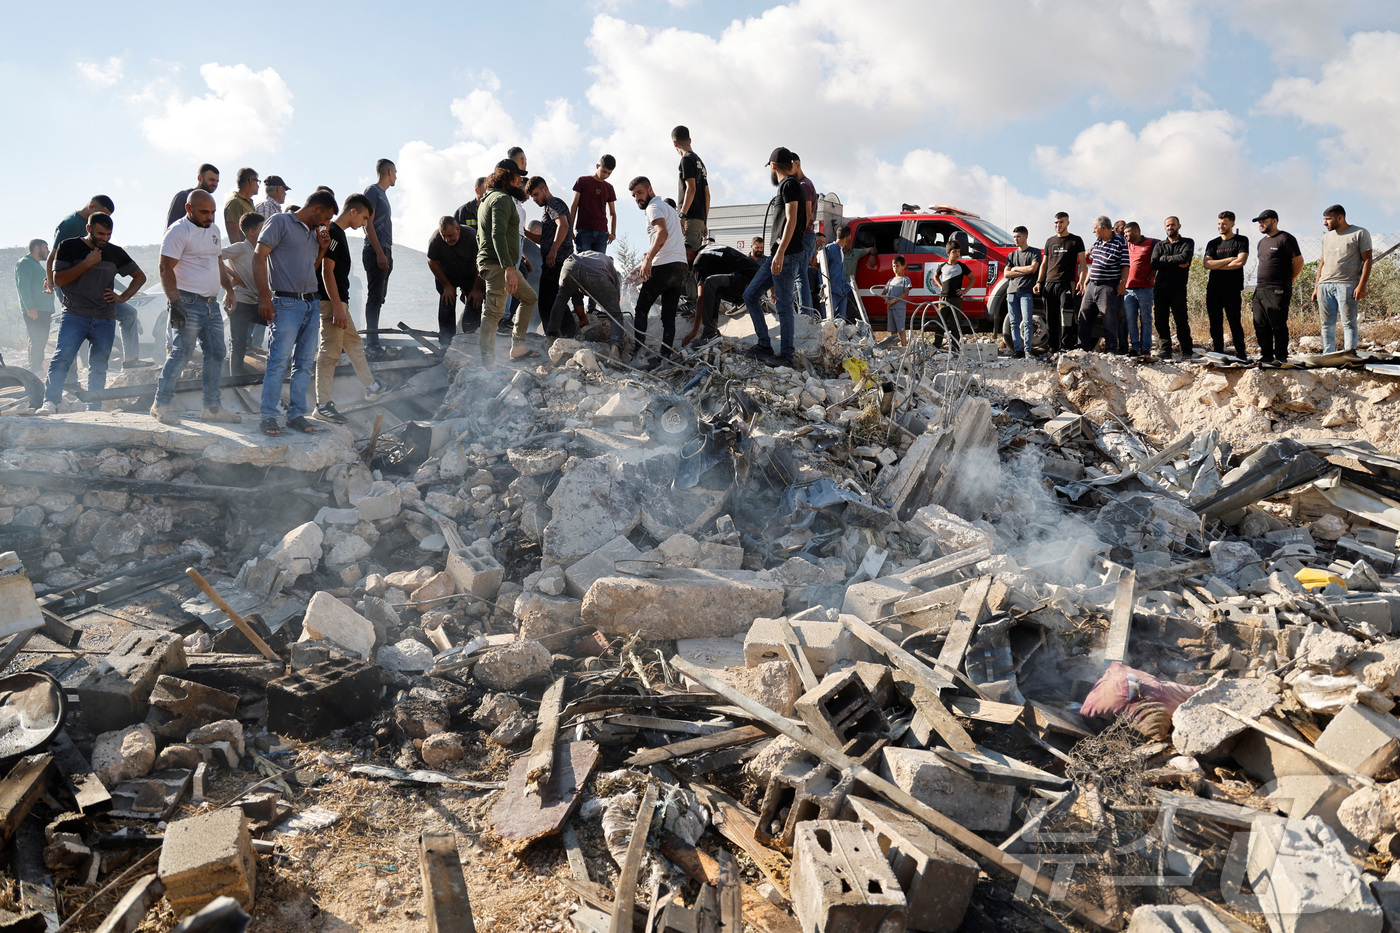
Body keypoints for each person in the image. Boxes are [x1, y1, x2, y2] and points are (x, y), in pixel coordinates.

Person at [38, 212, 146, 414]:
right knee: (62, 358)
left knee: (99, 365)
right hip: (75, 314)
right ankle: (50, 402)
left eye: (108, 234)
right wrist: (87, 262)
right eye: (100, 233)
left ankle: (94, 407)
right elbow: (59, 280)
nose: (105, 238)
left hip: (104, 317)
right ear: (88, 229)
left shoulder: (115, 252)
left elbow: (139, 277)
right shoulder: (69, 247)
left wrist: (122, 297)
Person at [253, 189, 338, 436]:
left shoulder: (314, 234)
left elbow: (310, 268)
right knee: (278, 361)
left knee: (303, 364)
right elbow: (259, 257)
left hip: (311, 303)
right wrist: (264, 296)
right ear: (316, 209)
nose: (327, 223)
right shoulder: (280, 221)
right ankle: (269, 416)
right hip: (285, 303)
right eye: (326, 217)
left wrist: (322, 248)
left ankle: (296, 414)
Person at [152, 190, 238, 424]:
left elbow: (218, 261)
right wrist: (174, 302)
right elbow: (164, 268)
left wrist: (229, 290)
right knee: (181, 353)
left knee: (217, 353)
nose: (209, 217)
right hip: (187, 302)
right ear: (189, 209)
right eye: (204, 212)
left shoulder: (214, 231)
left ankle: (211, 408)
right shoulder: (179, 231)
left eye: (212, 212)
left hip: (211, 304)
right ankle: (161, 404)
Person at [46, 195, 148, 370]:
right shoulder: (71, 224)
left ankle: (130, 359)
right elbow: (53, 257)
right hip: (73, 290)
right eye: (103, 214)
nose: (105, 221)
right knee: (73, 333)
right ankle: (69, 381)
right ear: (91, 207)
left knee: (128, 314)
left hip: (97, 290)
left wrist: (122, 294)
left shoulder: (101, 235)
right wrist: (51, 282)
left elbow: (106, 266)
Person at [315, 194, 385, 423]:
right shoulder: (333, 233)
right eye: (364, 218)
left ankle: (372, 386)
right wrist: (336, 307)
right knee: (330, 352)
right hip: (331, 303)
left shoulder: (339, 234)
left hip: (339, 302)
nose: (365, 224)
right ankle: (322, 405)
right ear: (353, 212)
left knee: (354, 343)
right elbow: (327, 271)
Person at [740, 149, 807, 366]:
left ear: (773, 165)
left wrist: (780, 252)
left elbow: (792, 219)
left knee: (785, 306)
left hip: (784, 256)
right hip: (780, 254)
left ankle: (786, 356)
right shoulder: (789, 186)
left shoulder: (789, 184)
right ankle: (764, 345)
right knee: (750, 295)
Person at [476, 164, 539, 368]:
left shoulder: (489, 198)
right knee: (493, 314)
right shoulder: (501, 199)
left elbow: (483, 235)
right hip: (500, 267)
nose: (521, 181)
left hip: (501, 264)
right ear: (507, 177)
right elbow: (497, 234)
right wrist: (509, 269)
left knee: (529, 298)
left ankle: (518, 346)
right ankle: (488, 364)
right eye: (518, 177)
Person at [627, 176, 689, 363]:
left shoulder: (653, 208)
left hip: (665, 266)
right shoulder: (669, 208)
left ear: (650, 189)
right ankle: (666, 355)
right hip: (680, 267)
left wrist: (648, 259)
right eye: (634, 195)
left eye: (640, 192)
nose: (637, 197)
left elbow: (662, 233)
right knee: (668, 314)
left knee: (641, 309)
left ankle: (639, 353)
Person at [525, 176, 581, 338]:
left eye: (536, 194)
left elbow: (563, 225)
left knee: (550, 301)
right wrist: (524, 233)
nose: (535, 199)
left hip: (557, 261)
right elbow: (544, 240)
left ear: (545, 189)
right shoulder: (548, 208)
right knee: (552, 300)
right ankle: (561, 336)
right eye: (533, 196)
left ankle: (562, 336)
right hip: (554, 260)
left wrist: (553, 251)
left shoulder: (553, 204)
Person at [1314, 204, 1373, 353]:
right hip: (1324, 285)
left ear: (1340, 218)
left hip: (1347, 285)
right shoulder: (1326, 237)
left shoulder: (1359, 233)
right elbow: (1322, 263)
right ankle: (1328, 355)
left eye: (1328, 219)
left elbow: (1367, 260)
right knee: (1326, 324)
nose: (1324, 223)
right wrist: (1316, 287)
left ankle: (1349, 355)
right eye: (1324, 219)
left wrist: (1362, 286)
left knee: (1349, 323)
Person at [548, 251, 625, 357]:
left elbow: (576, 297)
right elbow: (615, 295)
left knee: (561, 298)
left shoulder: (588, 255)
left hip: (569, 265)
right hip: (595, 271)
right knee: (616, 315)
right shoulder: (610, 267)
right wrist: (613, 310)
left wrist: (583, 318)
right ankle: (615, 351)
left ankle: (551, 336)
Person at [1251, 209, 1303, 367]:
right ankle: (1266, 355)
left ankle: (1281, 356)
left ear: (1274, 221)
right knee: (1260, 323)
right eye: (1259, 222)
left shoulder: (1285, 238)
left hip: (1278, 289)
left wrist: (1291, 278)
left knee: (1278, 323)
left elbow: (1299, 261)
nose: (1261, 224)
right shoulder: (1262, 242)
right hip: (1260, 289)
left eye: (1264, 221)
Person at [683, 241, 759, 346]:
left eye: (682, 264)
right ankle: (740, 301)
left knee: (710, 283)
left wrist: (694, 330)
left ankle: (710, 333)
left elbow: (702, 296)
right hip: (756, 278)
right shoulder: (706, 248)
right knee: (714, 284)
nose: (684, 268)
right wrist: (703, 311)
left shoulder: (698, 263)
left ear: (687, 255)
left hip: (747, 280)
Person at [221, 211, 265, 377]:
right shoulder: (240, 247)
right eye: (262, 228)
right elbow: (215, 256)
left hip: (258, 301)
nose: (265, 231)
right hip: (241, 301)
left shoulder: (262, 250)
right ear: (251, 232)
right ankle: (236, 379)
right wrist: (234, 276)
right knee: (238, 343)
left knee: (280, 328)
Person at [1034, 213, 1086, 351]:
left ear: (1068, 223)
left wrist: (1081, 281)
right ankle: (1052, 347)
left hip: (1067, 284)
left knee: (1067, 316)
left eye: (1061, 222)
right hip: (1050, 284)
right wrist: (1039, 281)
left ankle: (1066, 346)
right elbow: (1044, 264)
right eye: (1056, 222)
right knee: (1051, 317)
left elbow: (1083, 264)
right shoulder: (1050, 241)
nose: (1058, 225)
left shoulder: (1076, 240)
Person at [1077, 215, 1129, 353]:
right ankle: (1083, 347)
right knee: (1084, 315)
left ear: (1103, 227)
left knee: (1108, 318)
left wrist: (1122, 283)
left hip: (1108, 286)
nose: (1094, 232)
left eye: (1095, 228)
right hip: (1092, 285)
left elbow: (1125, 265)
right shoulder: (1098, 242)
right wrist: (1086, 281)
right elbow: (1095, 264)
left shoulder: (1120, 242)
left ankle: (1111, 349)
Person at [1202, 211, 1250, 360]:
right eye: (1219, 223)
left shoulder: (1241, 240)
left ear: (1232, 224)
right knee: (1215, 322)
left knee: (1234, 321)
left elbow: (1240, 262)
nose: (1221, 226)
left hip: (1232, 288)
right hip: (1214, 289)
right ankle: (1218, 352)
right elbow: (1206, 264)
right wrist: (1228, 259)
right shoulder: (1213, 243)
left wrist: (1216, 265)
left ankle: (1241, 353)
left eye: (1224, 223)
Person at [426, 216, 480, 348]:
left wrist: (477, 288)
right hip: (447, 275)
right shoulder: (436, 239)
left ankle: (470, 339)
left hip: (470, 274)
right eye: (444, 236)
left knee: (475, 301)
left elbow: (483, 263)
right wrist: (446, 285)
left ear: (458, 229)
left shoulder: (472, 236)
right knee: (447, 300)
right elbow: (431, 261)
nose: (447, 239)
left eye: (450, 235)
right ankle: (446, 343)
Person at [361, 158, 396, 359]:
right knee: (374, 297)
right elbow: (368, 224)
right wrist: (380, 253)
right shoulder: (372, 192)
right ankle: (372, 344)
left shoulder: (383, 195)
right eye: (395, 172)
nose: (396, 177)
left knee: (379, 298)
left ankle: (373, 341)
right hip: (376, 250)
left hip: (385, 249)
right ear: (389, 172)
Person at [1150, 216, 1194, 359]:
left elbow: (1184, 258)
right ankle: (1165, 350)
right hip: (1160, 288)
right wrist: (1174, 261)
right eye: (1168, 225)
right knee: (1160, 320)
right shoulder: (1159, 245)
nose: (1170, 227)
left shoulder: (1187, 242)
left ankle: (1187, 351)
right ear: (1165, 228)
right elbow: (1154, 263)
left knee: (1181, 320)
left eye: (1173, 225)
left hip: (1178, 288)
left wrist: (1165, 260)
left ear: (1179, 226)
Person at [14, 239, 53, 372]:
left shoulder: (35, 264)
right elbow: (23, 286)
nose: (48, 251)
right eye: (45, 247)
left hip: (42, 310)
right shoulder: (25, 263)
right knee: (37, 340)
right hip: (34, 310)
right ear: (37, 248)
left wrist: (48, 312)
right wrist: (30, 307)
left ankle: (37, 367)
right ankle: (35, 368)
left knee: (41, 340)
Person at [1122, 221, 1157, 358]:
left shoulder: (1151, 242)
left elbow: (1162, 251)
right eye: (1124, 233)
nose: (1125, 235)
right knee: (1131, 319)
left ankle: (1146, 348)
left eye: (1127, 232)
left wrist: (1154, 270)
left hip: (1145, 288)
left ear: (1136, 231)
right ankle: (1135, 347)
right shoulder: (1126, 245)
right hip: (1128, 289)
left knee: (1146, 319)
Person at [1004, 226, 1040, 358]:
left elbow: (1032, 268)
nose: (1016, 239)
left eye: (1018, 236)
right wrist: (1016, 271)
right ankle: (1017, 350)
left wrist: (1016, 269)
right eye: (1014, 237)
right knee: (1013, 322)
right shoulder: (1011, 255)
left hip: (1026, 292)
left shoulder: (1034, 252)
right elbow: (1006, 274)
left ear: (1025, 236)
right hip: (1011, 292)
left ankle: (1027, 350)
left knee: (1027, 321)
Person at [571, 156, 617, 256]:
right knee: (583, 264)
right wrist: (570, 229)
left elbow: (612, 213)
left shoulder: (609, 187)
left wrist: (613, 232)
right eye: (604, 171)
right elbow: (574, 206)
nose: (606, 175)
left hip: (602, 233)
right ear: (597, 166)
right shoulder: (582, 181)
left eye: (609, 173)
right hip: (583, 231)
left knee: (598, 267)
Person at [791, 154, 819, 315]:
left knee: (800, 276)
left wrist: (797, 234)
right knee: (801, 275)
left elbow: (807, 213)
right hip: (807, 235)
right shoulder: (804, 184)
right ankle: (804, 312)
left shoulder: (804, 185)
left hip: (804, 235)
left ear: (797, 164)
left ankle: (805, 314)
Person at [935, 242, 973, 342]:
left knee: (955, 325)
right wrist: (940, 286)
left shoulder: (962, 266)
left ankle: (955, 347)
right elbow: (935, 276)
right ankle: (936, 346)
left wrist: (965, 291)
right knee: (940, 323)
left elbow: (972, 279)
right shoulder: (943, 266)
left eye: (958, 251)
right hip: (943, 299)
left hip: (956, 299)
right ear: (948, 253)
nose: (957, 254)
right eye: (954, 252)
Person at [223, 168, 260, 244]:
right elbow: (233, 233)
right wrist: (241, 254)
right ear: (251, 181)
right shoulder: (234, 202)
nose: (258, 186)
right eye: (257, 182)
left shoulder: (249, 203)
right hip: (245, 254)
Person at [884, 256, 911, 347]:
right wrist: (887, 300)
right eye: (894, 266)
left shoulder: (905, 280)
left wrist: (894, 301)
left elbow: (906, 293)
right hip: (890, 308)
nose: (895, 268)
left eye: (897, 266)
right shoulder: (890, 281)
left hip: (899, 308)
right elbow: (884, 293)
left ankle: (904, 349)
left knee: (901, 330)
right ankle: (895, 350)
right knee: (893, 331)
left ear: (903, 266)